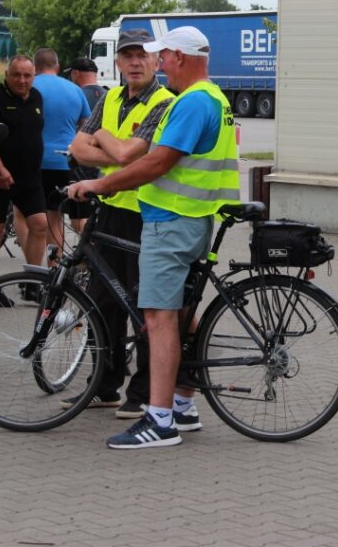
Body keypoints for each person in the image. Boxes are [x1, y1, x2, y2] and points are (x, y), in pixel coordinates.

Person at [68, 26, 239, 449]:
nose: (158, 64)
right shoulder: (214, 97)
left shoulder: (192, 102)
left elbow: (154, 164)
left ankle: (159, 420)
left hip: (170, 221)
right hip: (191, 219)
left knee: (158, 318)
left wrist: (99, 185)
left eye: (162, 57)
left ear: (178, 57)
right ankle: (183, 403)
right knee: (178, 311)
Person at [65, 29, 175, 418]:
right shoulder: (111, 96)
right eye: (127, 55)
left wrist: (103, 138)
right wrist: (114, 151)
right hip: (108, 211)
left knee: (143, 304)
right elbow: (77, 147)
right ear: (117, 61)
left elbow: (133, 156)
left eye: (142, 55)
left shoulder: (165, 102)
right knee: (100, 300)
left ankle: (144, 392)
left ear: (156, 60)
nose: (134, 62)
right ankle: (105, 384)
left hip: (144, 215)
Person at [0, 55, 49, 306]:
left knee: (40, 224)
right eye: (16, 74)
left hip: (29, 176)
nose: (22, 80)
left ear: (34, 76)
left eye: (27, 75)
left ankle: (31, 283)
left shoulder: (37, 97)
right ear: (7, 74)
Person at [32, 48, 91, 260]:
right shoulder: (75, 90)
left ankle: (36, 270)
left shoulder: (30, 86)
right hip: (66, 161)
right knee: (55, 216)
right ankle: (55, 266)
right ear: (57, 67)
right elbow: (87, 124)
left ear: (35, 67)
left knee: (31, 216)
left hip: (36, 160)